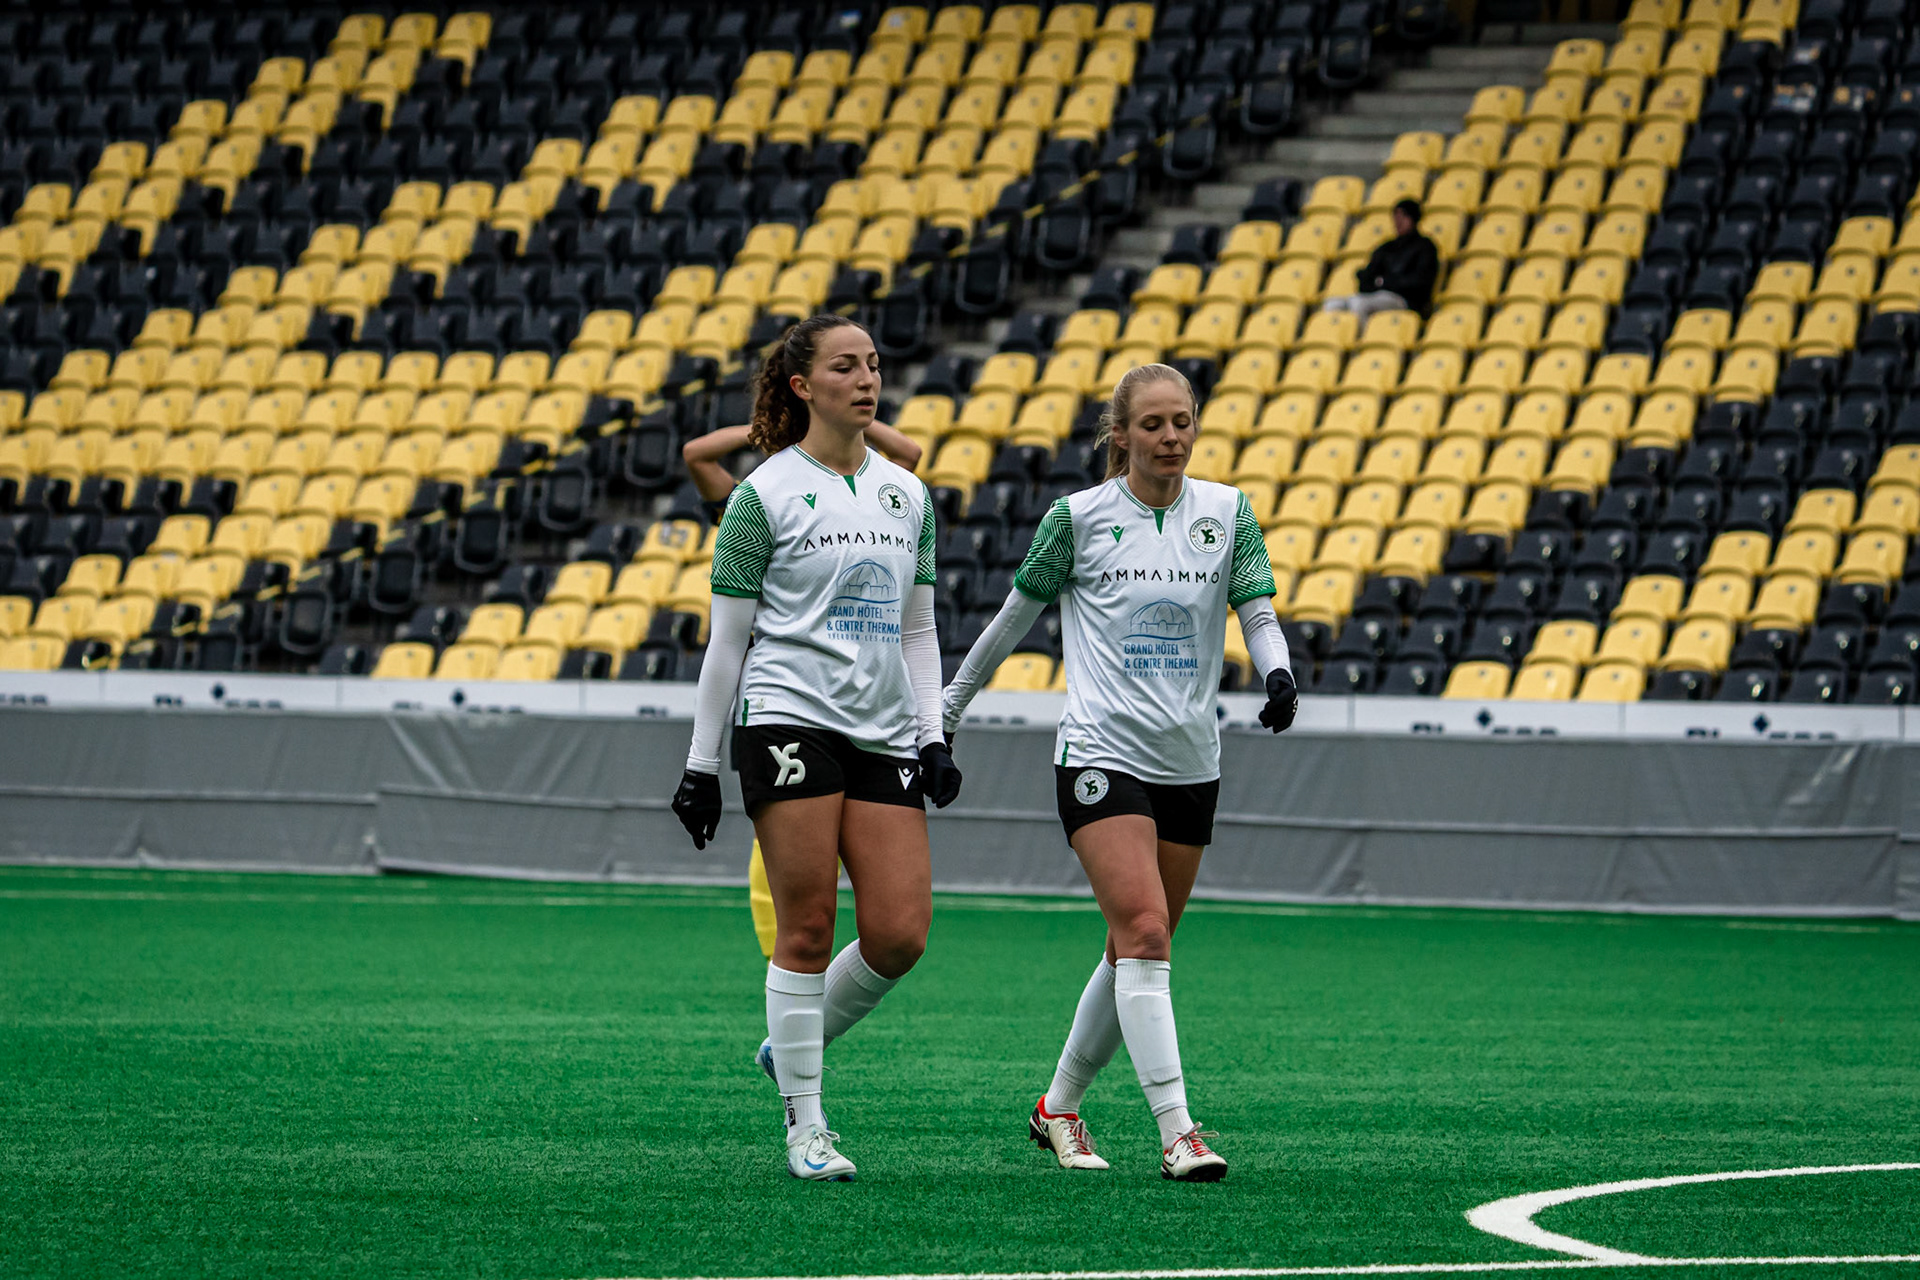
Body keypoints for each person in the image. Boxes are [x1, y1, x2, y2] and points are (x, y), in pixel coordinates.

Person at [941, 363, 1298, 1182]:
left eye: (1182, 422)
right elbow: (1009, 625)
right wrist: (945, 718)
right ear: (1121, 434)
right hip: (1100, 755)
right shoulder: (1076, 520)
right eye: (1153, 425)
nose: (1171, 437)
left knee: (1134, 946)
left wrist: (1275, 670)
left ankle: (1056, 1108)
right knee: (1145, 934)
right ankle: (1179, 1132)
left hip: (1191, 762)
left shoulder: (1228, 510)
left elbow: (1258, 609)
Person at [670, 315, 962, 1182]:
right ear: (803, 386)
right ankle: (807, 1125)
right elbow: (727, 644)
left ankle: (785, 1048)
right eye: (846, 366)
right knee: (805, 926)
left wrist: (933, 732)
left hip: (881, 731)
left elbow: (919, 630)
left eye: (874, 363)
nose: (867, 379)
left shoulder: (908, 494)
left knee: (901, 933)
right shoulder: (763, 495)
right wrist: (699, 765)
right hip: (788, 719)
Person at [681, 419, 925, 960]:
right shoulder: (759, 498)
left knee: (886, 917)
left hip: (863, 703)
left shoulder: (876, 496)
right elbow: (695, 452)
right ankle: (785, 978)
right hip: (785, 692)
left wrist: (849, 423)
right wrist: (766, 430)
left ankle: (794, 992)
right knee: (791, 897)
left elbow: (909, 453)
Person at [1321, 198, 1439, 322]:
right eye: (1396, 216)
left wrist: (1385, 282)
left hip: (1405, 300)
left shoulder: (1425, 246)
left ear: (1413, 218)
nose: (1398, 221)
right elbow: (1369, 274)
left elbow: (1420, 281)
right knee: (1332, 304)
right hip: (1379, 295)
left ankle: (1363, 339)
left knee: (1360, 304)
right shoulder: (1387, 247)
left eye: (1403, 216)